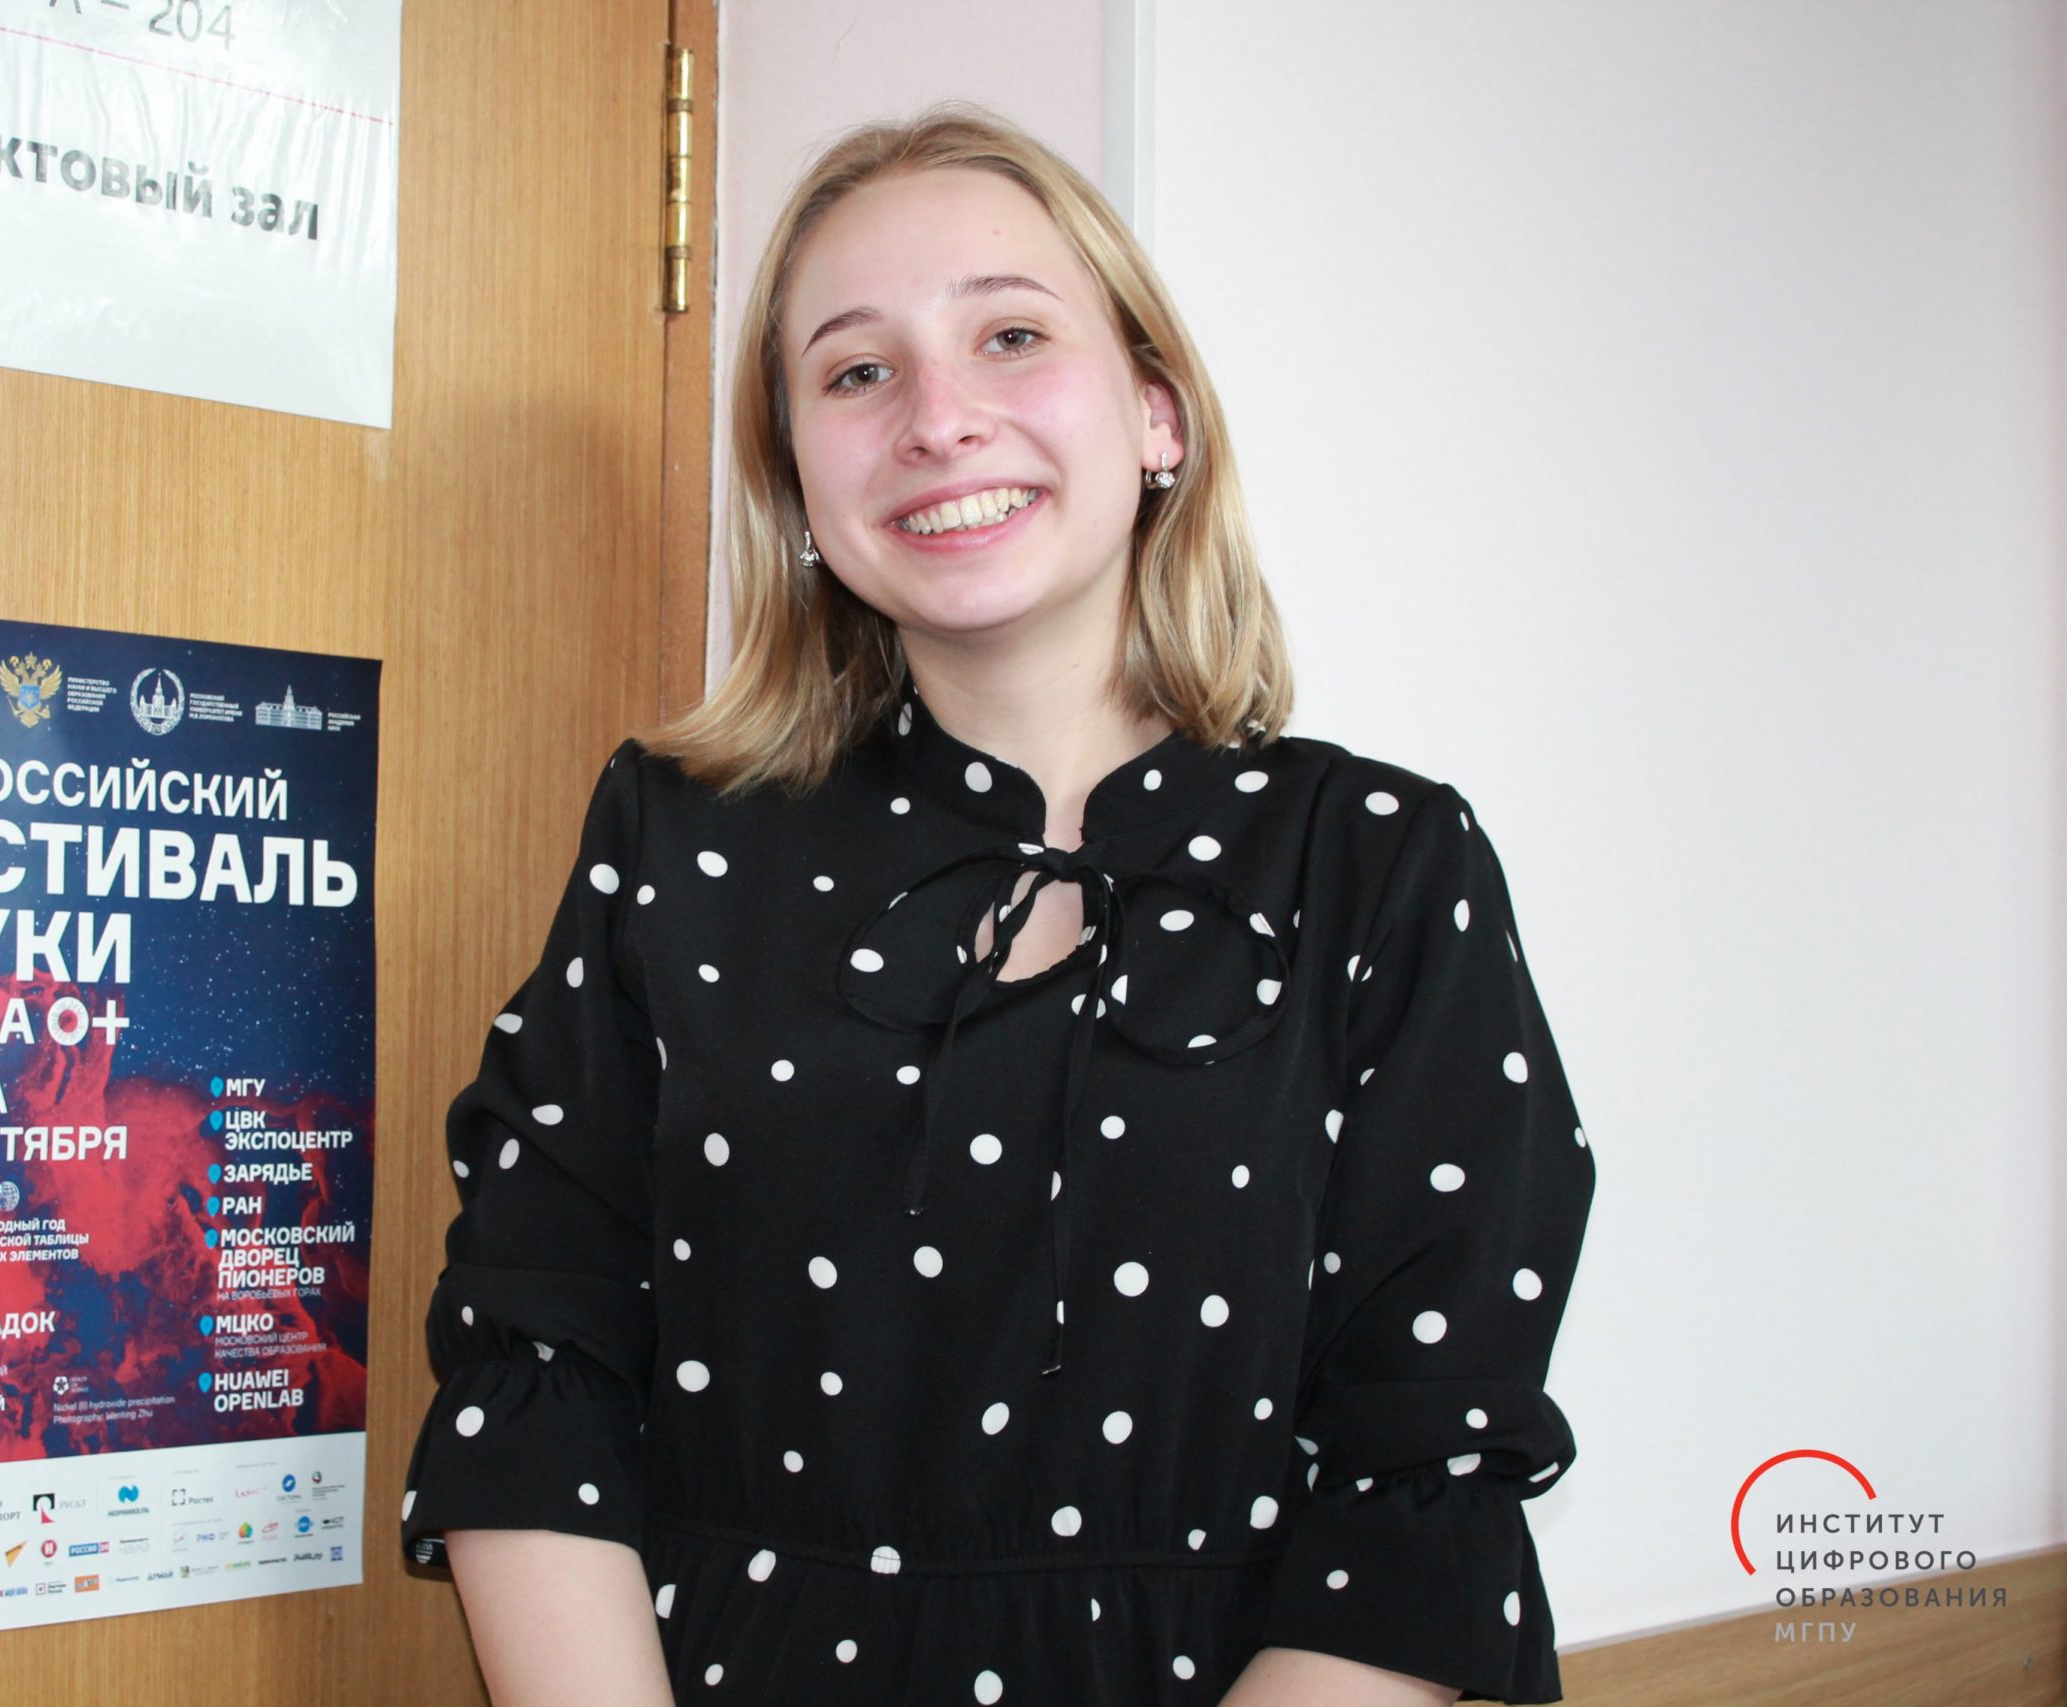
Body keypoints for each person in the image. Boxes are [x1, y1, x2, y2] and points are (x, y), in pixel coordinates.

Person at [399, 103, 1597, 1707]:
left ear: (1158, 414)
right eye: (855, 372)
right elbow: (534, 1365)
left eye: (1012, 336)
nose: (938, 420)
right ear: (796, 483)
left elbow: (1426, 1470)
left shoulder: (1385, 863)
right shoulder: (675, 841)